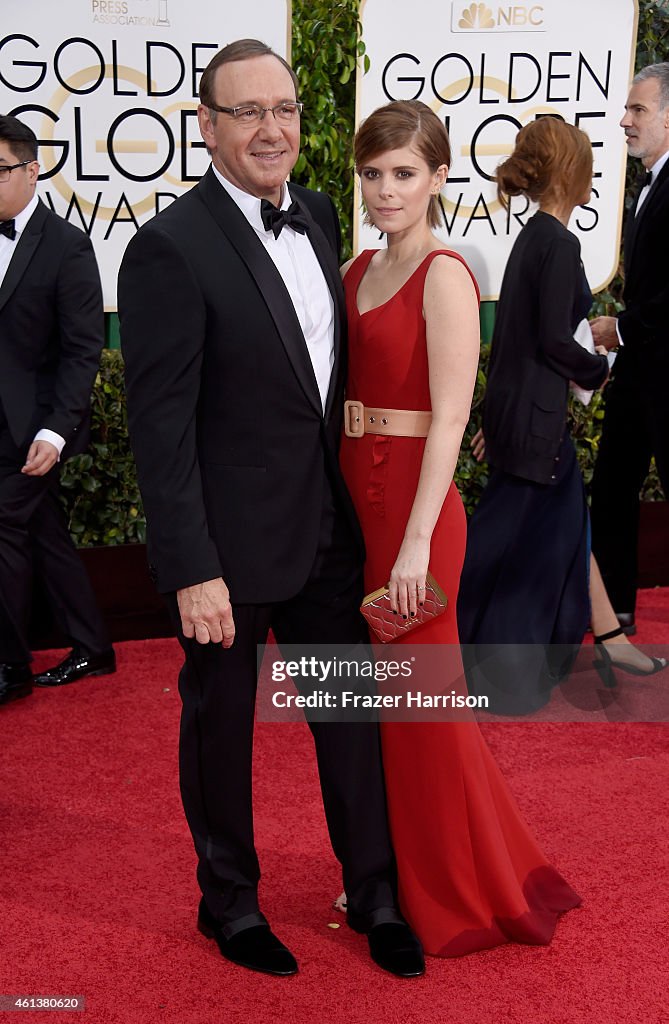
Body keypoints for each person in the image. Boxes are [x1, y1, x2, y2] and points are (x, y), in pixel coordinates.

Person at [118, 40, 423, 979]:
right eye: (245, 112)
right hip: (227, 551)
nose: (270, 128)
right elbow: (159, 432)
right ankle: (229, 903)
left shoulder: (324, 215)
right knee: (219, 727)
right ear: (205, 126)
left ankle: (372, 893)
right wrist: (189, 568)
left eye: (283, 109)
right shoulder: (168, 247)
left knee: (348, 719)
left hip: (324, 529)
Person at [338, 99, 581, 957]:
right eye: (372, 174)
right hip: (357, 500)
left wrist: (410, 545)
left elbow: (449, 419)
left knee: (421, 706)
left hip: (416, 516)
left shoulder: (445, 271)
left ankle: (448, 887)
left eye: (403, 173)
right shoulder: (355, 266)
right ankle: (396, 871)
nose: (385, 190)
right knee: (389, 710)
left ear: (438, 178)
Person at [457, 116, 665, 716]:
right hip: (537, 426)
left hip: (525, 420)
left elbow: (516, 345)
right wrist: (601, 370)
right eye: (589, 162)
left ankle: (611, 641)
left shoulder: (534, 238)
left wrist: (494, 417)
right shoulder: (555, 243)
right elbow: (550, 340)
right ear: (571, 172)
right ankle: (485, 670)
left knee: (569, 533)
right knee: (507, 554)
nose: (597, 173)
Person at [0, 115, 115, 706]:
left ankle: (9, 664)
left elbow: (81, 349)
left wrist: (56, 429)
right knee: (41, 533)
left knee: (4, 526)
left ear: (31, 169)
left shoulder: (67, 246)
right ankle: (93, 645)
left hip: (35, 428)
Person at [589, 62, 669, 635]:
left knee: (616, 486)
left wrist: (620, 330)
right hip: (642, 375)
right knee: (613, 485)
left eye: (638, 110)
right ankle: (614, 614)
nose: (624, 120)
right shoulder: (653, 183)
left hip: (662, 376)